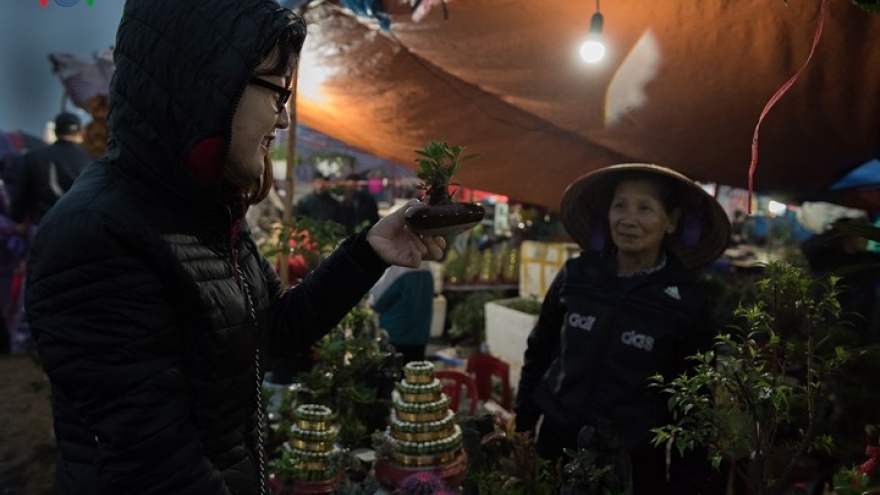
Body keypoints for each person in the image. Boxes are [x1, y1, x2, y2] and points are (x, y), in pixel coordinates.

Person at [24, 2, 444, 494]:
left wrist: (369, 251)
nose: (284, 118)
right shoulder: (98, 236)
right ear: (208, 86)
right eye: (276, 91)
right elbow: (161, 472)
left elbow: (273, 331)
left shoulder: (206, 211)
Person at [514, 163, 730, 494]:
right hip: (556, 446)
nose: (628, 219)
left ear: (671, 221)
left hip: (633, 463)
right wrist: (523, 427)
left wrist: (685, 483)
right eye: (620, 206)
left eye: (645, 208)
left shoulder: (687, 302)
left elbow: (696, 403)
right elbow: (539, 351)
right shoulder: (576, 275)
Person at [10, 111, 90, 228]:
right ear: (80, 132)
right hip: (76, 226)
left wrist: (17, 220)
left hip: (42, 223)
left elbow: (22, 193)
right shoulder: (90, 160)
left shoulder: (34, 157)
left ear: (56, 131)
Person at [369, 260, 435, 364]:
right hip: (420, 336)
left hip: (396, 335)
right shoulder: (426, 266)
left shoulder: (397, 267)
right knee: (414, 375)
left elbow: (377, 301)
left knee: (394, 374)